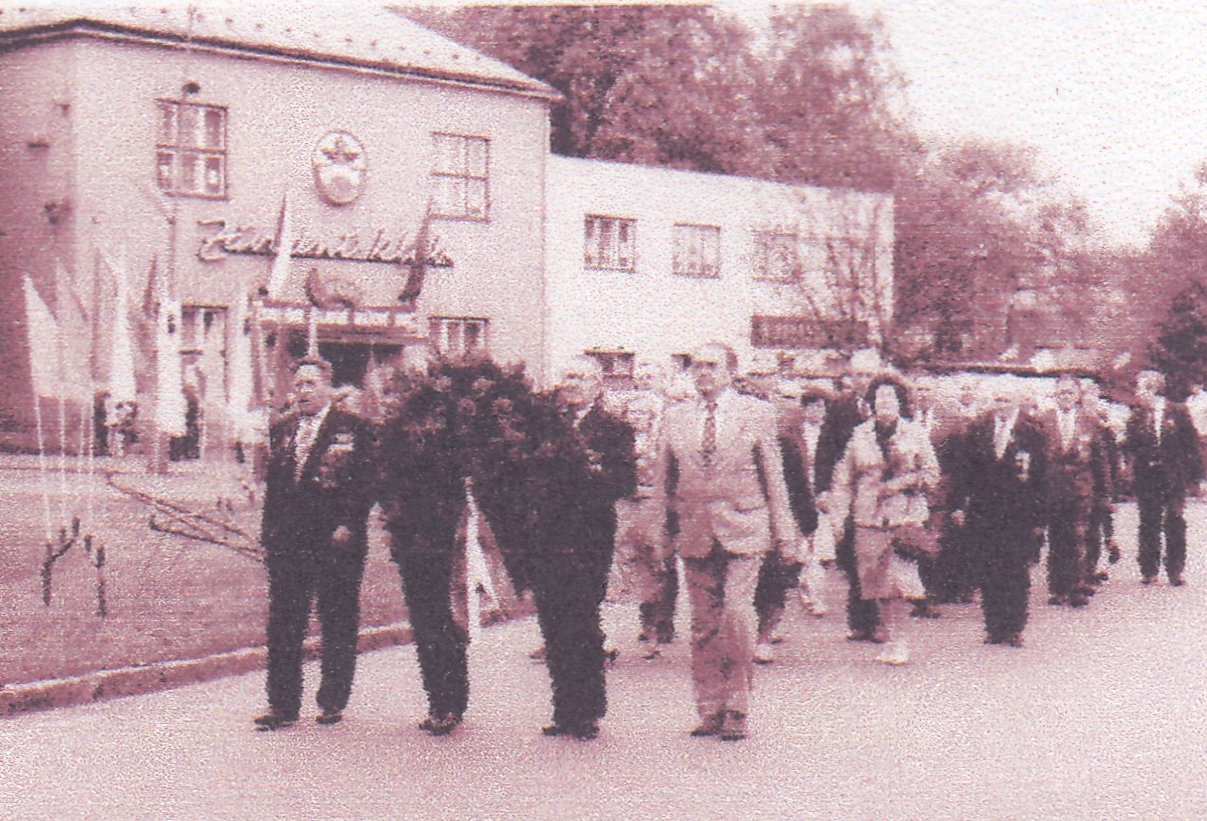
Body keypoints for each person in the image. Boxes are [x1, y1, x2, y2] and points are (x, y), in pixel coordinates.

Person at [662, 343, 799, 741]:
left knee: (737, 616)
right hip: (695, 527)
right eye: (696, 366)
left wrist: (784, 531)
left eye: (711, 365)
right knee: (703, 624)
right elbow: (663, 479)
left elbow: (774, 476)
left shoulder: (757, 413)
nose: (702, 372)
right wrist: (660, 533)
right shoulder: (674, 416)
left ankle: (737, 704)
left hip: (745, 526)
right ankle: (710, 707)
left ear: (730, 372)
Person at [254, 357, 374, 731]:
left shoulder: (353, 429)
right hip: (289, 542)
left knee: (337, 618)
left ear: (328, 388)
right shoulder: (282, 429)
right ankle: (283, 704)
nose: (302, 392)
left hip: (335, 540)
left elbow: (365, 484)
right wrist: (268, 535)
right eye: (298, 385)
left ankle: (332, 699)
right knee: (284, 622)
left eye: (310, 384)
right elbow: (275, 489)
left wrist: (349, 523)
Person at [530, 356, 636, 740]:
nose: (571, 383)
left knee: (583, 621)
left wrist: (586, 477)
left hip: (588, 536)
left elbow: (624, 481)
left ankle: (588, 709)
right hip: (547, 535)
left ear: (597, 385)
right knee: (553, 622)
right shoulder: (544, 424)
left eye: (580, 377)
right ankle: (563, 709)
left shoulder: (613, 428)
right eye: (567, 376)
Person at [376, 366, 475, 738]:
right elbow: (385, 483)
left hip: (440, 538)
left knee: (439, 618)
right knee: (424, 620)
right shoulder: (395, 441)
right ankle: (439, 699)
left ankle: (450, 700)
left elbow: (456, 488)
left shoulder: (445, 442)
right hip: (409, 537)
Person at [832, 375, 939, 665]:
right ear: (871, 403)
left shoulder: (914, 433)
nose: (885, 404)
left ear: (901, 403)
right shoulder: (859, 435)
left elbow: (932, 474)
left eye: (891, 398)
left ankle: (900, 639)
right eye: (879, 398)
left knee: (900, 581)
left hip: (905, 517)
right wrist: (839, 515)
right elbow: (844, 478)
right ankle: (890, 634)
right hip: (868, 517)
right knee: (876, 582)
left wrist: (902, 482)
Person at [955, 390, 1047, 647]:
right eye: (997, 400)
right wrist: (958, 505)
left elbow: (1041, 476)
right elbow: (965, 470)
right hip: (985, 512)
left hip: (1019, 512)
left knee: (1016, 570)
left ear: (1016, 402)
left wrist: (1040, 516)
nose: (1001, 405)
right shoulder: (979, 430)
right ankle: (994, 626)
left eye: (1006, 400)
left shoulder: (1031, 432)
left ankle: (1014, 627)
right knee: (989, 569)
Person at [752, 379, 821, 664]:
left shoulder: (785, 444)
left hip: (776, 521)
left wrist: (807, 524)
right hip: (738, 521)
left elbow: (800, 488)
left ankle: (763, 636)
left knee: (774, 578)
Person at [1123, 370, 1203, 586]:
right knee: (1148, 521)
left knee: (1174, 520)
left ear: (1152, 389)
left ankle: (1175, 570)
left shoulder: (1177, 411)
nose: (1137, 393)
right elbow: (1130, 446)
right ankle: (1149, 569)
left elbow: (1191, 445)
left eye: (1140, 388)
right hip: (1147, 476)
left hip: (1172, 476)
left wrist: (1196, 478)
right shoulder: (1137, 416)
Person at [613, 391, 676, 659]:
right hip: (625, 506)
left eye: (642, 413)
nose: (636, 418)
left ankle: (657, 622)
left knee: (657, 564)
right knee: (627, 562)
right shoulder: (619, 441)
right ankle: (644, 620)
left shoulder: (661, 442)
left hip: (653, 506)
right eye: (632, 413)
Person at [1040, 375, 1112, 608]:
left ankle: (1076, 586)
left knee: (1078, 537)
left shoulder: (1089, 421)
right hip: (1052, 489)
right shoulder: (1044, 421)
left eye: (1070, 392)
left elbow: (1100, 460)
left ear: (1077, 395)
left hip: (1081, 491)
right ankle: (1057, 588)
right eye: (1061, 392)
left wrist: (1105, 493)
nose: (1065, 397)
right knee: (1056, 539)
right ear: (1055, 395)